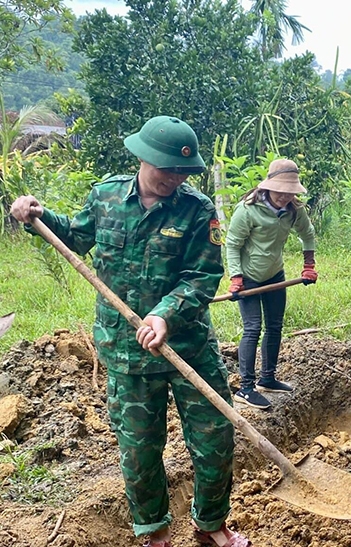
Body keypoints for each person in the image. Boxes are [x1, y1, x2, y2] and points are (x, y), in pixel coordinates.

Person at [10, 116, 251, 547]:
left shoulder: (197, 211)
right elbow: (76, 235)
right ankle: (154, 531)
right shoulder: (105, 197)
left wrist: (163, 316)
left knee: (215, 440)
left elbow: (200, 276)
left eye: (182, 171)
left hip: (187, 345)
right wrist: (38, 215)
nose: (174, 179)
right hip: (126, 351)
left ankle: (210, 524)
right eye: (166, 169)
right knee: (140, 452)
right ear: (142, 157)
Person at [226, 158, 317, 410]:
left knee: (275, 326)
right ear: (268, 186)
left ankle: (267, 378)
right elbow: (233, 245)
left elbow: (307, 234)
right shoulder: (248, 209)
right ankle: (246, 388)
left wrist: (308, 265)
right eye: (280, 191)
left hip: (275, 275)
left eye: (290, 192)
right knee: (252, 328)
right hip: (249, 278)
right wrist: (236, 277)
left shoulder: (294, 210)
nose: (285, 196)